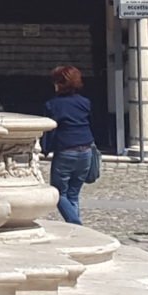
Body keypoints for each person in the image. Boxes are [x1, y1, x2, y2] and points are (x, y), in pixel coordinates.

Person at [39, 64, 101, 225]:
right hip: (86, 150)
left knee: (58, 193)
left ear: (58, 83)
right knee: (73, 193)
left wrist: (45, 148)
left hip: (66, 151)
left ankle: (75, 224)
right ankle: (75, 230)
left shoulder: (52, 105)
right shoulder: (85, 103)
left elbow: (50, 130)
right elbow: (92, 123)